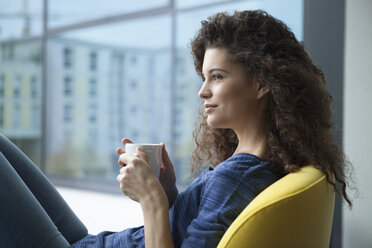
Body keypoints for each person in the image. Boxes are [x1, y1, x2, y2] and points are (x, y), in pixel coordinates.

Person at [0, 10, 352, 248]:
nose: (203, 91)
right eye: (205, 78)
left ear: (262, 83)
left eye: (217, 77)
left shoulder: (240, 178)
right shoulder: (256, 167)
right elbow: (189, 233)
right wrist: (169, 194)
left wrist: (151, 200)